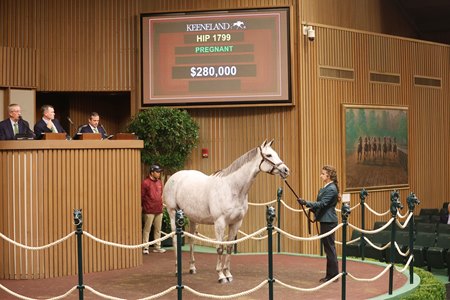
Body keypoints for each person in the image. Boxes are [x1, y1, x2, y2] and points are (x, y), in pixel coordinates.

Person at [298, 165, 340, 283]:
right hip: (325, 219)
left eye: (323, 173)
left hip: (328, 221)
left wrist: (306, 203)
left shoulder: (331, 189)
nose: (321, 175)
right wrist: (311, 207)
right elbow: (321, 204)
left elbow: (322, 204)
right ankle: (331, 275)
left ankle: (333, 275)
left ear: (329, 175)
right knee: (328, 248)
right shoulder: (326, 188)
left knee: (329, 248)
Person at [142, 164, 166, 254]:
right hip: (149, 210)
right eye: (157, 172)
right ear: (152, 172)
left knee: (158, 230)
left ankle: (157, 246)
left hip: (159, 210)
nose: (159, 173)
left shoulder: (159, 182)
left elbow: (161, 195)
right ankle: (145, 247)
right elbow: (142, 196)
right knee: (147, 229)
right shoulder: (145, 183)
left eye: (159, 172)